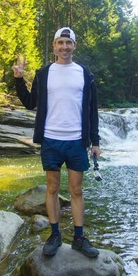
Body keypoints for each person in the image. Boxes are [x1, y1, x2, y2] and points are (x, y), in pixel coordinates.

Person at [13, 26, 101, 258]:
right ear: (54, 46)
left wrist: (95, 141)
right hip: (51, 139)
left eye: (68, 43)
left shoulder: (84, 73)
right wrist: (19, 80)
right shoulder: (44, 74)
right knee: (52, 188)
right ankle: (55, 235)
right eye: (60, 43)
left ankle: (79, 238)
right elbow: (30, 103)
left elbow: (92, 110)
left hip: (76, 141)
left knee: (76, 190)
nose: (64, 47)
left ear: (74, 46)